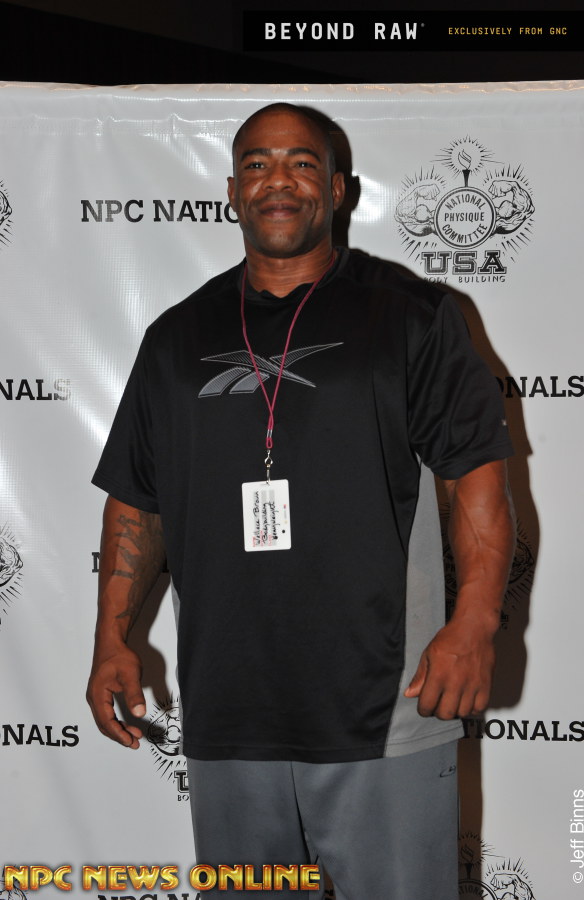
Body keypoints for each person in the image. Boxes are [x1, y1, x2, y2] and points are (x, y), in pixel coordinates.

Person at [87, 102, 515, 899]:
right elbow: (137, 502)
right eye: (255, 164)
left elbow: (474, 478)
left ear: (338, 189)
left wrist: (475, 623)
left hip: (383, 706)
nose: (276, 181)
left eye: (301, 163)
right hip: (228, 716)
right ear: (230, 190)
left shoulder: (412, 316)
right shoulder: (176, 338)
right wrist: (111, 637)